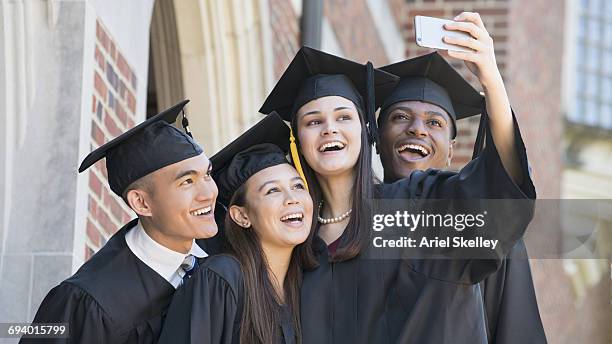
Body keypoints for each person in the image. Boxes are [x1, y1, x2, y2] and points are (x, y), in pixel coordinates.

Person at [258, 13, 536, 343]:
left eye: (343, 116)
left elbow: (501, 191)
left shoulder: (421, 206)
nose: (330, 128)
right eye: (313, 122)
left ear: (364, 131)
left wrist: (491, 80)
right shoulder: (297, 243)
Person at [377, 51, 547, 343]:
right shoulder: (350, 226)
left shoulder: (484, 230)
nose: (417, 128)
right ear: (378, 140)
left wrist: (491, 80)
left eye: (435, 123)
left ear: (451, 152)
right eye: (401, 117)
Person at [22, 100, 218, 343]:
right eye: (187, 182)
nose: (208, 193)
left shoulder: (223, 260)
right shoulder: (84, 302)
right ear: (141, 203)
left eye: (207, 174)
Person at [158, 113, 317, 344]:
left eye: (298, 186)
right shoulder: (221, 278)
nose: (292, 198)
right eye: (272, 190)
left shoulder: (305, 285)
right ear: (241, 216)